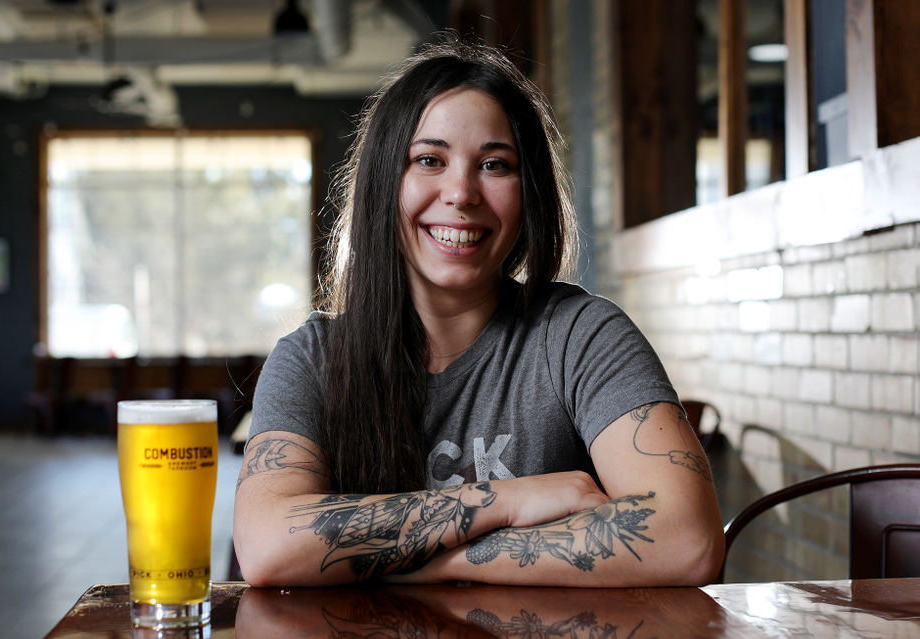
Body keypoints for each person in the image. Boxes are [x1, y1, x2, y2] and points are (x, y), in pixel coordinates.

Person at [233, 39, 724, 588]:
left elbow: (688, 539)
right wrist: (508, 500)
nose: (462, 193)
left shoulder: (582, 336)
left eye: (495, 165)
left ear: (529, 192)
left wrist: (428, 563)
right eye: (428, 160)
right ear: (381, 185)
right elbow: (266, 546)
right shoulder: (311, 358)